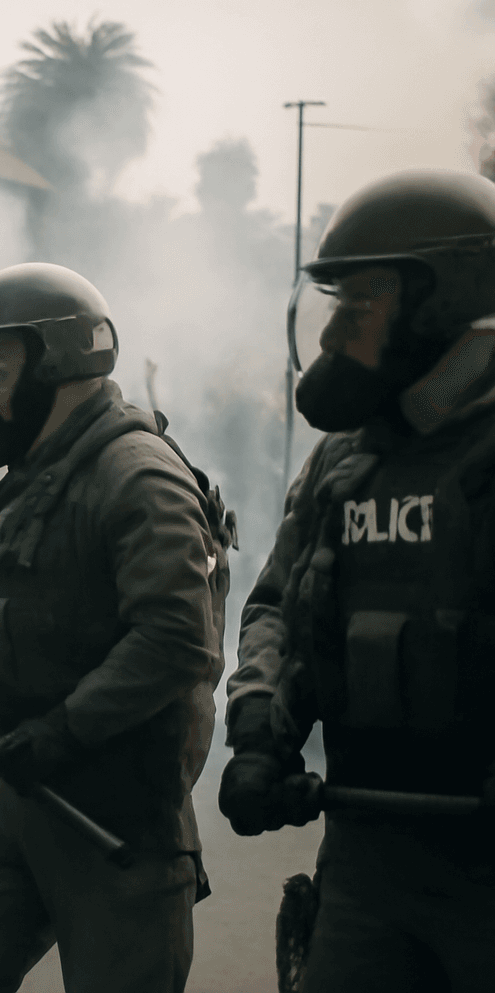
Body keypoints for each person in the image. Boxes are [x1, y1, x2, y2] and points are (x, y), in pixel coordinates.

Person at [0, 263, 232, 993]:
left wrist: (62, 732)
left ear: (57, 366)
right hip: (16, 793)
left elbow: (175, 640)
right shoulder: (40, 472)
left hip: (115, 814)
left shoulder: (136, 476)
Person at [218, 169, 495, 993]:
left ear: (437, 302)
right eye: (331, 306)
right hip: (366, 864)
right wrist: (260, 734)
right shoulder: (344, 462)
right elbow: (277, 606)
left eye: (359, 304)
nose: (335, 334)